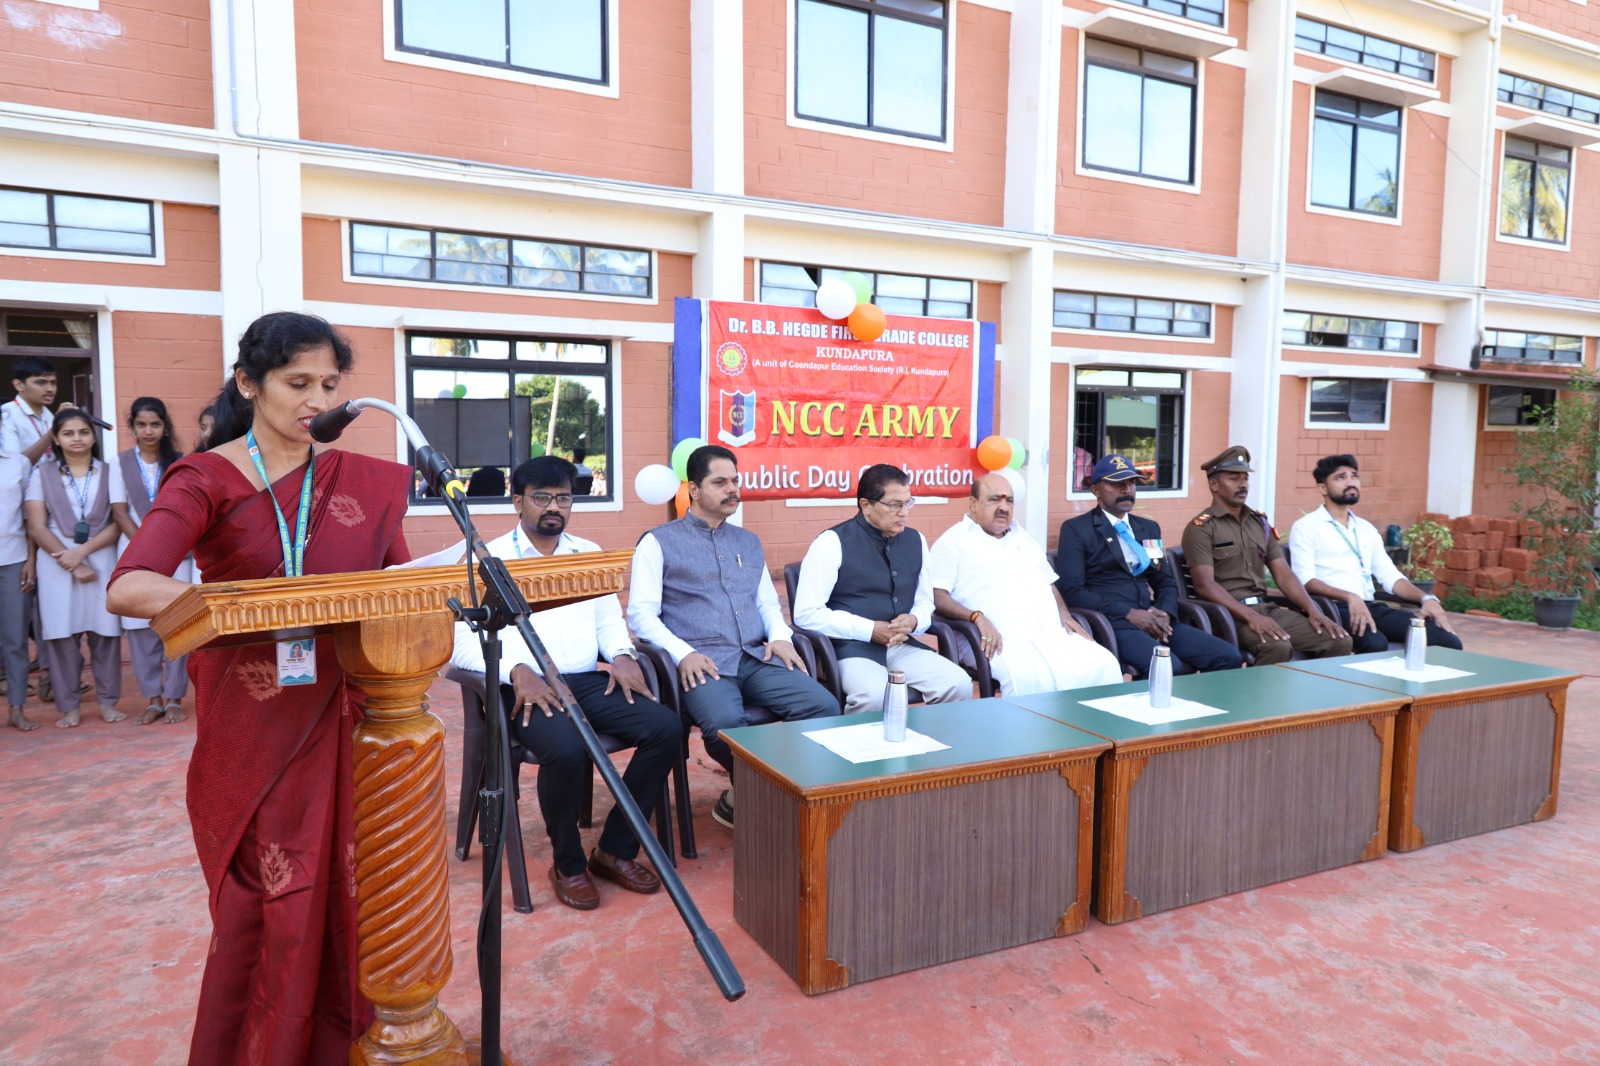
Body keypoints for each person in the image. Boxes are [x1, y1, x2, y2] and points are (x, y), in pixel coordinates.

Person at [108, 312, 413, 1064]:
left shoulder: (360, 482)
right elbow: (132, 583)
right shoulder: (206, 477)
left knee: (358, 887)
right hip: (254, 723)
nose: (317, 400)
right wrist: (254, 606)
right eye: (297, 382)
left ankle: (352, 1043)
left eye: (330, 385)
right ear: (249, 383)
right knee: (270, 899)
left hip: (350, 712)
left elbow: (401, 582)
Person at [451, 456, 678, 910]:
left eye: (564, 498)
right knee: (568, 749)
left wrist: (622, 654)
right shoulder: (488, 560)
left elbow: (608, 621)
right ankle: (569, 864)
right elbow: (460, 642)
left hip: (586, 681)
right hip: (526, 688)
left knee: (666, 729)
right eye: (542, 497)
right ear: (518, 502)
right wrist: (517, 670)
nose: (554, 507)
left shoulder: (587, 553)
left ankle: (614, 849)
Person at [628, 444, 838, 830]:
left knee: (823, 706)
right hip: (702, 662)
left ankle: (772, 790)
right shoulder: (657, 542)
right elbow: (641, 615)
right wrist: (682, 654)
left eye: (735, 481)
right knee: (727, 724)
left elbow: (767, 602)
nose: (732, 489)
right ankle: (765, 793)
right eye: (720, 482)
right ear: (693, 489)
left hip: (755, 656)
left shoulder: (747, 541)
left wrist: (780, 636)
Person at [793, 463, 970, 713]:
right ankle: (859, 741)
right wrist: (870, 630)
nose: (904, 513)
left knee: (958, 684)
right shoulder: (831, 542)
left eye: (908, 503)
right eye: (894, 505)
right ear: (866, 505)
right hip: (847, 648)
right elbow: (806, 613)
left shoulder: (916, 540)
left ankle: (927, 739)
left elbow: (924, 601)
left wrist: (914, 620)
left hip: (900, 645)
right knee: (875, 695)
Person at [926, 472, 1122, 696]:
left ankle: (1087, 720)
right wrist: (976, 617)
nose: (1003, 507)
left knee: (1103, 663)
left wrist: (1064, 613)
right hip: (993, 640)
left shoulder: (1023, 538)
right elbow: (937, 596)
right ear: (973, 504)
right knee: (1026, 677)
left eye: (1009, 501)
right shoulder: (952, 542)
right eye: (994, 499)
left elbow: (1049, 583)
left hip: (1049, 634)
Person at [1056, 454, 1242, 675]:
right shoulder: (1077, 529)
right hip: (1112, 623)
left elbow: (1164, 579)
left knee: (1227, 656)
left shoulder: (1147, 528)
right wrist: (1129, 613)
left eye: (1131, 483)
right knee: (1168, 666)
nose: (1127, 490)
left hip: (1152, 619)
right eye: (1117, 484)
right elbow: (1073, 591)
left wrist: (1164, 611)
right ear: (1096, 490)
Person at [1181, 447, 1351, 665]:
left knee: (1338, 640)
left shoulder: (1259, 523)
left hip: (1266, 610)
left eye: (1245, 478)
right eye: (1234, 478)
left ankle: (1314, 688)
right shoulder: (1201, 528)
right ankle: (1258, 689)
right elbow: (1205, 585)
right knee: (1277, 646)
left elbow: (1283, 574)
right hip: (1229, 615)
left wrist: (1313, 610)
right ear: (1214, 484)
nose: (1243, 484)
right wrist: (1251, 616)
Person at [1288, 454, 1462, 654]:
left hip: (1370, 606)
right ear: (1323, 488)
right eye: (1341, 477)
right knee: (1375, 643)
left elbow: (1390, 576)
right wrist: (1350, 597)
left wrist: (1426, 598)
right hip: (1333, 608)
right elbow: (1305, 580)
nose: (1351, 482)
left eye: (1354, 476)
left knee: (1447, 641)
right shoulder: (1306, 527)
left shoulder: (1365, 528)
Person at [24, 409, 125, 727]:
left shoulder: (109, 471)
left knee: (105, 633)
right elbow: (36, 526)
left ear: (94, 436)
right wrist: (71, 562)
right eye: (68, 433)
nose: (77, 438)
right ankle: (69, 706)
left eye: (83, 432)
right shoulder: (41, 474)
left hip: (100, 555)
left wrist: (82, 552)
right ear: (55, 438)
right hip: (56, 561)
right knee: (61, 635)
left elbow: (117, 521)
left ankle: (108, 702)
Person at [110, 397, 193, 724]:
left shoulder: (181, 463)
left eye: (155, 424)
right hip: (136, 554)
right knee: (140, 631)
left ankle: (174, 698)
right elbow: (119, 512)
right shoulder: (119, 463)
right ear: (132, 427)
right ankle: (153, 699)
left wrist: (166, 550)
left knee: (179, 624)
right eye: (141, 424)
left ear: (165, 427)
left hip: (179, 556)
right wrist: (149, 549)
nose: (148, 431)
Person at [0, 431, 36, 730]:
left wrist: (31, 560)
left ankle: (16, 707)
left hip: (13, 559)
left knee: (15, 639)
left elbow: (29, 518)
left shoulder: (19, 463)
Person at [2, 355, 67, 467]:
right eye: (41, 382)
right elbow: (13, 465)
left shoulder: (49, 415)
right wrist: (53, 430)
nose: (50, 389)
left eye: (53, 383)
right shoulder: (6, 414)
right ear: (19, 385)